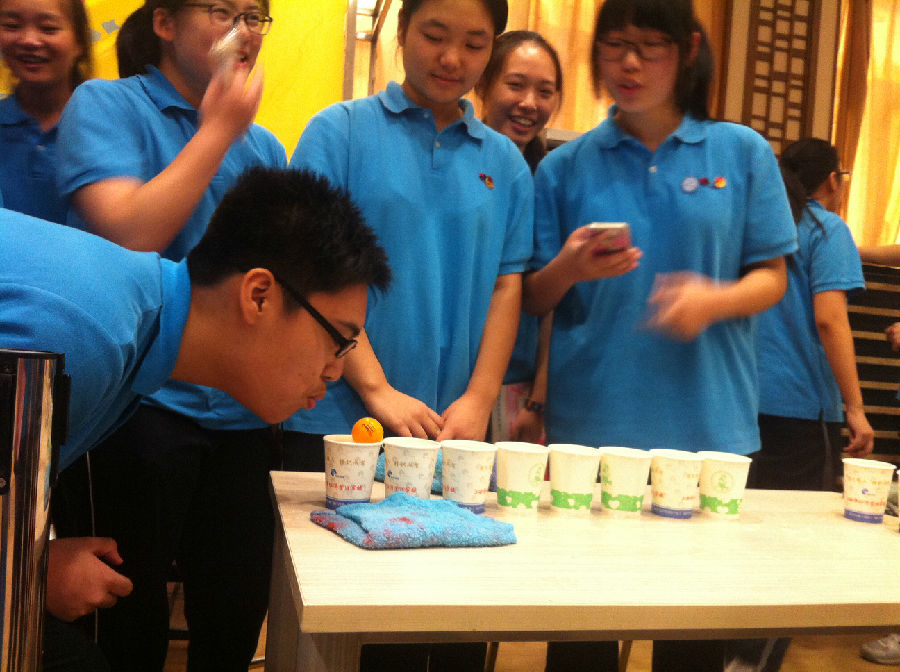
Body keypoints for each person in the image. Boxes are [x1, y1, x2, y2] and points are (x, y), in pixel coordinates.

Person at [0, 166, 391, 672]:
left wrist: (31, 561)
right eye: (338, 339)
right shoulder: (87, 336)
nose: (337, 370)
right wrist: (27, 571)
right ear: (258, 295)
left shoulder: (132, 331)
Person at [523, 1, 797, 670]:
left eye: (651, 47)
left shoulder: (741, 152)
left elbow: (773, 278)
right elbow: (531, 297)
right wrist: (569, 268)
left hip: (710, 427)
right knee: (582, 635)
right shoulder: (565, 167)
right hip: (593, 428)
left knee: (692, 637)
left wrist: (713, 299)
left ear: (689, 50)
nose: (630, 63)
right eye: (615, 45)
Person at [288, 0, 531, 668]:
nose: (452, 58)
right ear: (401, 31)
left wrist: (480, 399)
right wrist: (377, 388)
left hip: (451, 434)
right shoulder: (339, 132)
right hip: (341, 423)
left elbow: (507, 285)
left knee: (451, 628)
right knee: (348, 629)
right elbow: (312, 269)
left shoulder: (505, 163)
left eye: (475, 43)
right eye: (434, 35)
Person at [52, 2, 289, 670]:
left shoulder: (266, 148)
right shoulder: (106, 105)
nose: (243, 31)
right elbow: (129, 236)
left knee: (236, 610)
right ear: (164, 23)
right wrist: (219, 129)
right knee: (125, 618)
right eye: (222, 11)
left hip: (240, 414)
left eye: (255, 16)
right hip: (136, 405)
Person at [726, 138, 874, 672]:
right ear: (832, 180)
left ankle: (721, 652)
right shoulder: (825, 229)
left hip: (737, 404)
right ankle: (749, 662)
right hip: (800, 410)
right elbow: (830, 319)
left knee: (733, 538)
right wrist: (855, 408)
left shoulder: (753, 223)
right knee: (790, 553)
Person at [475, 29, 562, 444]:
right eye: (515, 85)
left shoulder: (549, 181)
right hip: (446, 382)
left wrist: (539, 398)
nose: (529, 103)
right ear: (483, 83)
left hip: (517, 389)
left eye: (544, 92)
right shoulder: (458, 167)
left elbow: (551, 304)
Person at [0, 0, 92, 222]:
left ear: (79, 42)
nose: (29, 40)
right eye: (12, 25)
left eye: (48, 28)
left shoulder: (109, 127)